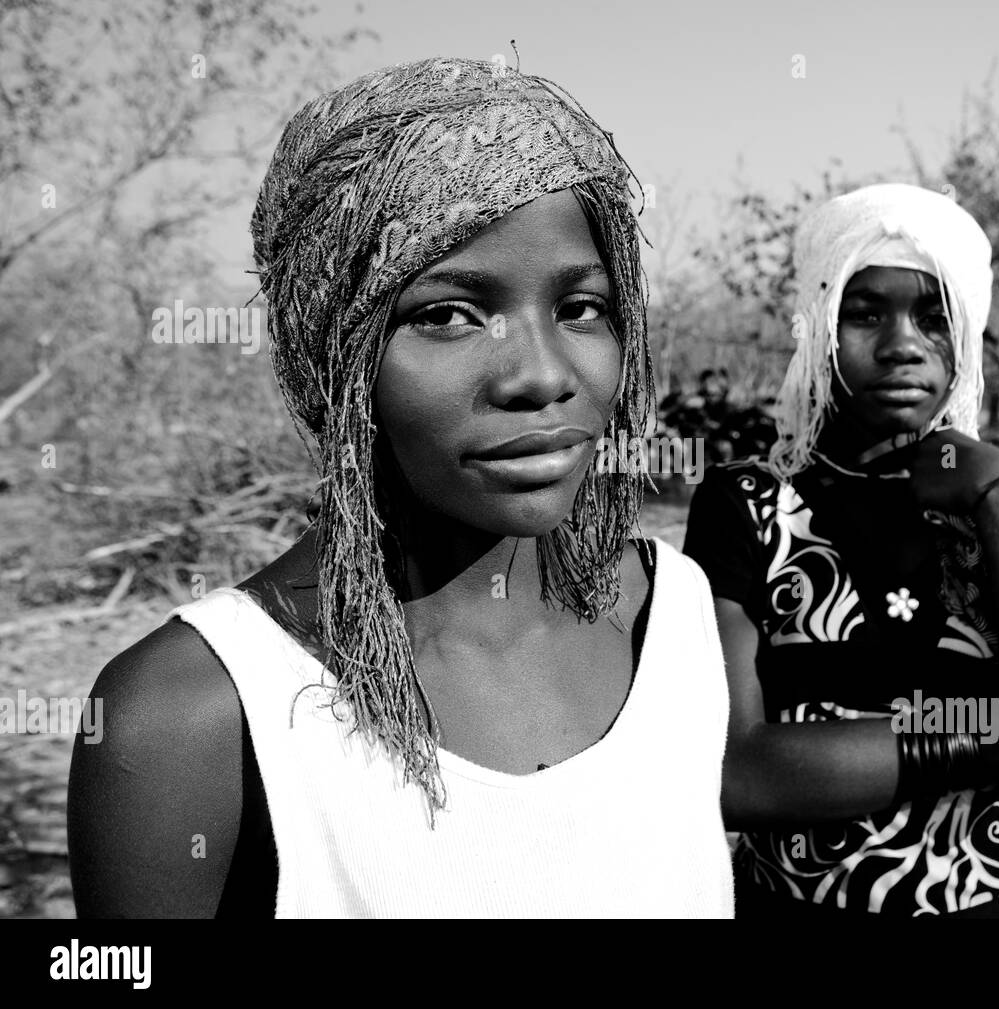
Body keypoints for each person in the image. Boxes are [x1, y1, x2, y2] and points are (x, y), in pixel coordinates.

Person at [67, 58, 733, 919]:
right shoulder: (187, 716)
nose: (542, 374)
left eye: (581, 308)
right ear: (331, 356)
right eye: (446, 314)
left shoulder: (672, 615)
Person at [683, 183, 999, 917]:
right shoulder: (750, 508)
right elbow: (740, 775)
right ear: (820, 324)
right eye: (864, 313)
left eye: (934, 316)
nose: (900, 345)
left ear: (970, 334)